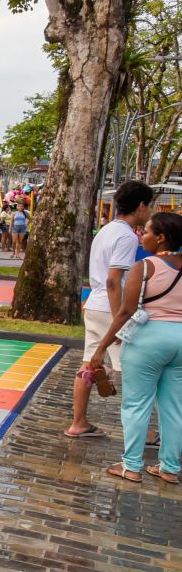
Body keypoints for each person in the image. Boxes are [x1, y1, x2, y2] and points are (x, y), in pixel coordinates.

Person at [90, 212, 182, 483]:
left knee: (136, 404)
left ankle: (131, 465)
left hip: (148, 340)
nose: (142, 236)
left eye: (148, 232)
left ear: (161, 237)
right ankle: (169, 468)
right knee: (174, 407)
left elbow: (126, 311)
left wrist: (101, 348)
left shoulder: (144, 267)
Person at [67, 180, 154, 439]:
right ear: (140, 206)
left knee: (88, 365)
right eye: (149, 206)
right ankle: (144, 433)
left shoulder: (106, 230)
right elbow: (113, 280)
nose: (149, 212)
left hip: (95, 306)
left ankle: (79, 422)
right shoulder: (127, 236)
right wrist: (120, 319)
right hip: (110, 309)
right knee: (132, 371)